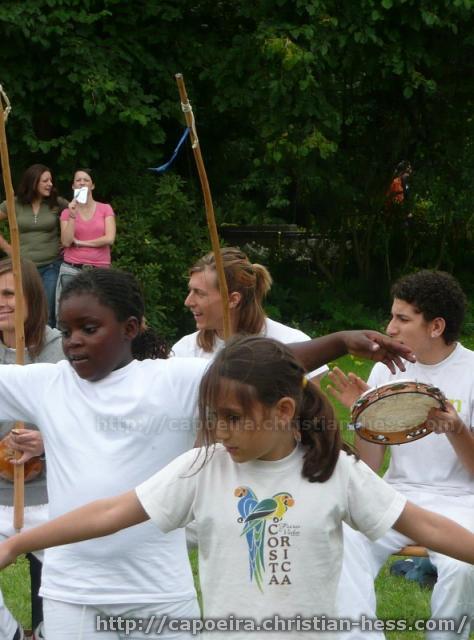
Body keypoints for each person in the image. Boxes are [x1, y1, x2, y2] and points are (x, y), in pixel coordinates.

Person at [0, 264, 414, 639]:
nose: (73, 342)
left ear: (130, 328)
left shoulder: (171, 380)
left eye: (89, 329)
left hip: (159, 592)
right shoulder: (46, 384)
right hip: (73, 592)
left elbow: (263, 368)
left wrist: (340, 341)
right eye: (66, 331)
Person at [328, 270, 474, 640]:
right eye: (392, 316)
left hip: (461, 501)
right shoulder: (387, 369)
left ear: (436, 326)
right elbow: (370, 467)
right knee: (343, 544)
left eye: (403, 319)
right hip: (398, 496)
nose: (390, 328)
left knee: (462, 568)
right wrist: (364, 417)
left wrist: (456, 429)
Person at [0, 257, 65, 640]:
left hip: (53, 497)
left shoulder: (62, 350)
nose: (1, 303)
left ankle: (44, 632)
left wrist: (46, 441)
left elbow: (87, 422)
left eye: (9, 294)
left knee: (65, 588)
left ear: (32, 298)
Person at [172, 247, 328, 381]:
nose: (188, 301)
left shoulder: (293, 344)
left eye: (199, 293)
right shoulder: (183, 352)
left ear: (233, 299)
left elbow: (312, 407)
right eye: (190, 291)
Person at [0, 164, 68, 327]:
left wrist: (67, 241)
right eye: (45, 181)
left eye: (51, 180)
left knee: (47, 311)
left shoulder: (56, 202)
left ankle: (47, 342)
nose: (50, 184)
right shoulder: (14, 203)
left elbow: (80, 215)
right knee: (24, 309)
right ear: (33, 182)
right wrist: (8, 248)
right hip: (23, 267)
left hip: (51, 266)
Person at [55, 168, 116, 311]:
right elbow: (66, 242)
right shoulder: (67, 212)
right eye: (78, 180)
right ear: (73, 186)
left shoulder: (105, 209)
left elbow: (109, 238)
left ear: (92, 185)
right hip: (72, 269)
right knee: (68, 313)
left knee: (100, 313)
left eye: (86, 180)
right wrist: (72, 215)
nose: (82, 183)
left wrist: (81, 243)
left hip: (100, 270)